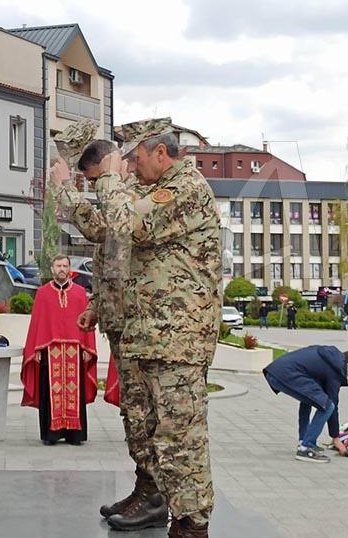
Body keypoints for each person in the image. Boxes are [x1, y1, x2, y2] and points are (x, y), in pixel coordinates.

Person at [83, 118, 221, 537]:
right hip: (154, 333)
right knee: (159, 433)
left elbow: (128, 225)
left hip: (179, 338)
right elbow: (109, 229)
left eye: (137, 157)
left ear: (162, 153)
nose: (133, 166)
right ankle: (168, 508)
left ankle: (192, 526)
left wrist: (108, 178)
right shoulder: (157, 189)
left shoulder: (185, 189)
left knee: (182, 439)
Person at [52, 135, 147, 516]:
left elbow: (113, 232)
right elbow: (106, 248)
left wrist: (76, 188)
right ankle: (146, 490)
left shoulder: (132, 193)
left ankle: (153, 497)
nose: (94, 187)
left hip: (143, 323)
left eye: (94, 179)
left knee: (144, 415)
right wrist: (96, 304)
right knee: (134, 413)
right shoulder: (117, 194)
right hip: (121, 320)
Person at [21, 254, 98, 445]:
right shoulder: (43, 293)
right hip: (50, 350)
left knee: (75, 391)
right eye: (58, 266)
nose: (61, 269)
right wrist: (36, 349)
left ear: (70, 269)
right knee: (49, 391)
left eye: (65, 265)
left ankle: (75, 435)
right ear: (52, 269)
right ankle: (50, 434)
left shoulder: (80, 293)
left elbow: (87, 322)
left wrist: (88, 346)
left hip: (75, 351)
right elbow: (37, 323)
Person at [263, 346, 348, 463]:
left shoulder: (331, 358)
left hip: (276, 371)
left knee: (309, 400)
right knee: (328, 406)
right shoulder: (336, 369)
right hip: (286, 374)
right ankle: (306, 448)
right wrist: (335, 438)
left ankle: (304, 441)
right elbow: (332, 402)